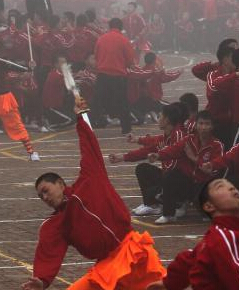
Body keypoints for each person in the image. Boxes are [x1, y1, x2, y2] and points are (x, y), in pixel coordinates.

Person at [25, 97, 166, 290]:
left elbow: (89, 147)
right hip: (107, 266)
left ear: (59, 183)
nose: (45, 198)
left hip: (132, 251)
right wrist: (42, 280)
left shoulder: (90, 179)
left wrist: (81, 117)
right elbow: (49, 251)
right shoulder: (54, 224)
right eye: (41, 197)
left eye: (46, 191)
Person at [93, 18, 137, 135]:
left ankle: (94, 123)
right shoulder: (123, 40)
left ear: (109, 26)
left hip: (102, 76)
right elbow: (130, 60)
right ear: (121, 28)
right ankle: (126, 128)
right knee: (122, 103)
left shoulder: (101, 39)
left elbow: (96, 56)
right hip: (118, 76)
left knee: (98, 101)